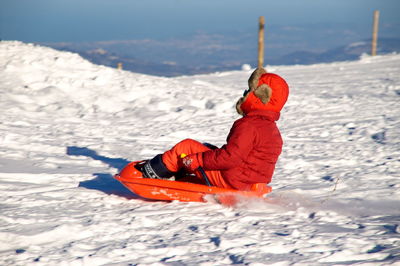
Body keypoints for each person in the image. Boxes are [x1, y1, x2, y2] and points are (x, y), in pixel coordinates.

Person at [139, 67, 289, 191]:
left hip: (232, 181)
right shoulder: (272, 130)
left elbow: (231, 157)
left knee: (187, 147)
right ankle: (177, 174)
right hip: (250, 184)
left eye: (248, 91)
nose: (244, 94)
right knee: (207, 149)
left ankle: (150, 174)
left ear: (259, 96)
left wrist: (197, 159)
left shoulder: (248, 125)